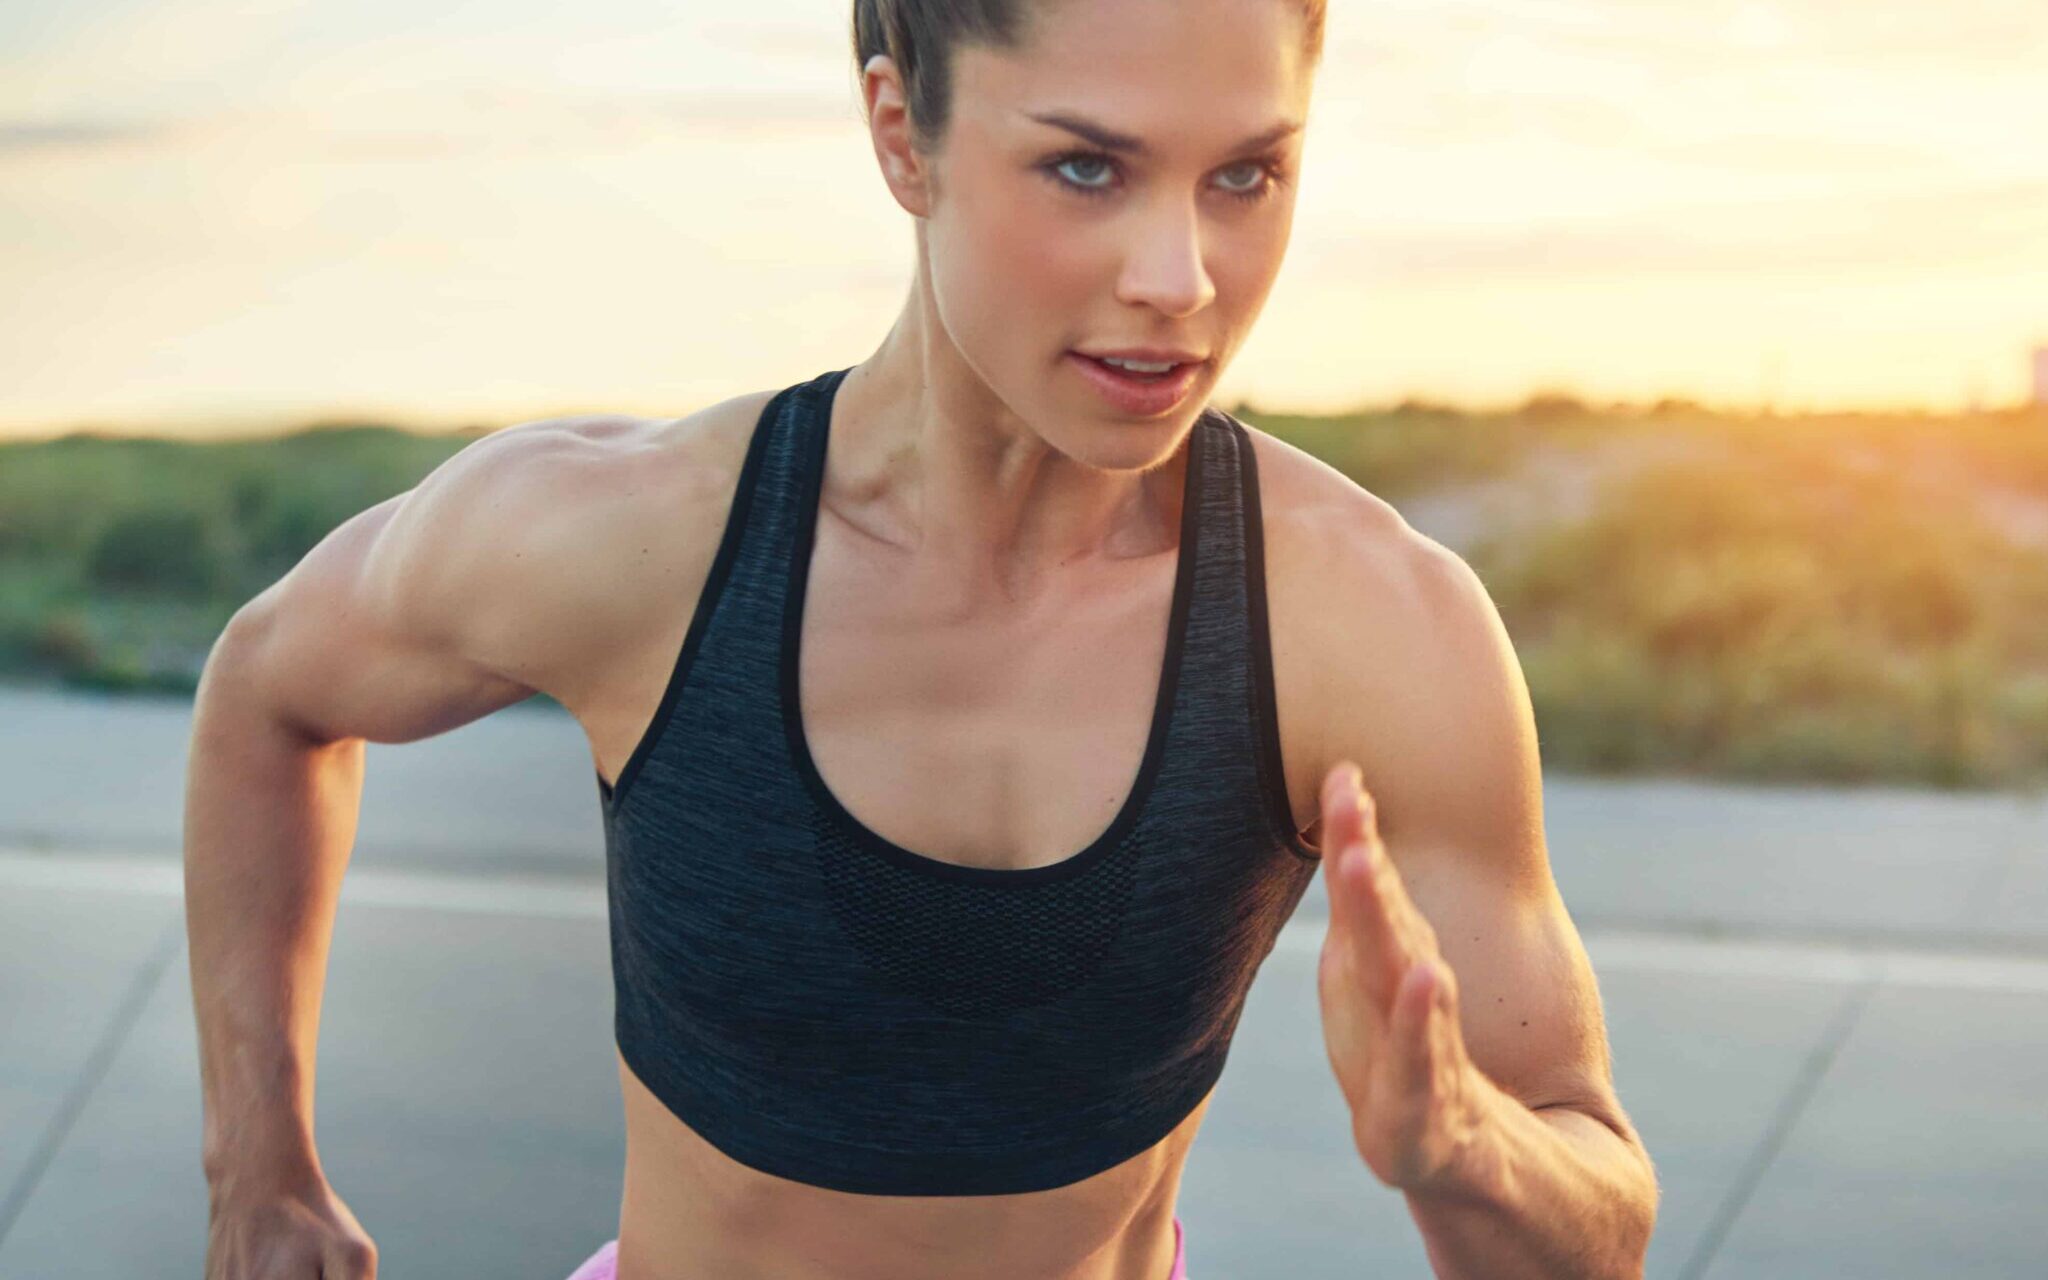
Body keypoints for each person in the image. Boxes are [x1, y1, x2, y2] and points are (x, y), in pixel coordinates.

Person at [183, 0, 1659, 1276]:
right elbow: (267, 691)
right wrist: (258, 1172)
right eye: (1087, 168)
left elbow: (1597, 1220)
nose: (1180, 278)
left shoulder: (1371, 625)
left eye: (1245, 176)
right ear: (904, 136)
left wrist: (1462, 1147)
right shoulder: (631, 542)